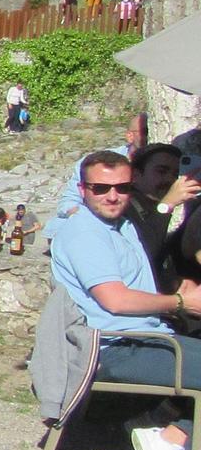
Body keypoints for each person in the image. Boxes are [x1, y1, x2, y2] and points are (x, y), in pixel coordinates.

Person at [51, 150, 201, 396]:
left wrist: (177, 285)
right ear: (82, 189)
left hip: (148, 338)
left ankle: (164, 427)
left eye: (121, 188)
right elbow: (117, 301)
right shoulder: (85, 233)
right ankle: (169, 432)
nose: (112, 196)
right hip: (114, 348)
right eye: (100, 188)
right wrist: (181, 302)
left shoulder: (122, 225)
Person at [127, 143, 201, 292]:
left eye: (176, 174)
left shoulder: (153, 208)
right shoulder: (125, 208)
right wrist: (167, 204)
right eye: (161, 171)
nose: (169, 180)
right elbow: (142, 253)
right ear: (135, 175)